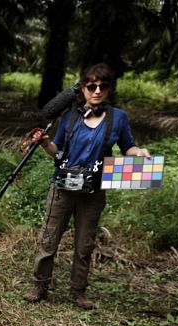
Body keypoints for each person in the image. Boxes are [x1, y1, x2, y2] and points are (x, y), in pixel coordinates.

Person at [23, 63, 150, 310]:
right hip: (63, 186)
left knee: (85, 243)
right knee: (49, 237)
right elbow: (57, 152)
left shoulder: (118, 118)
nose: (97, 90)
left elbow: (128, 147)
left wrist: (139, 152)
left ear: (109, 88)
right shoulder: (69, 117)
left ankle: (78, 290)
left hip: (94, 189)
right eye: (91, 86)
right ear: (82, 89)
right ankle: (40, 285)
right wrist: (45, 144)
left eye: (103, 86)